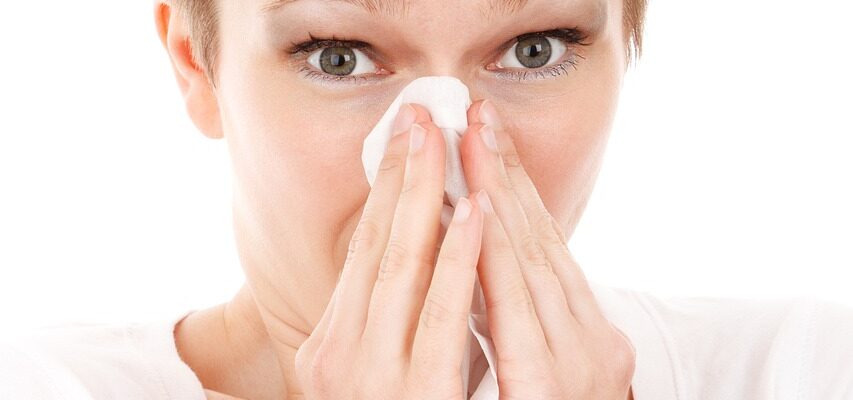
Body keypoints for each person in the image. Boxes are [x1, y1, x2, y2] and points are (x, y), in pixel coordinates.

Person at [1, 0, 852, 399]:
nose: (442, 155)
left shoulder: (802, 371)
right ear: (197, 65)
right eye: (338, 56)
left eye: (532, 48)